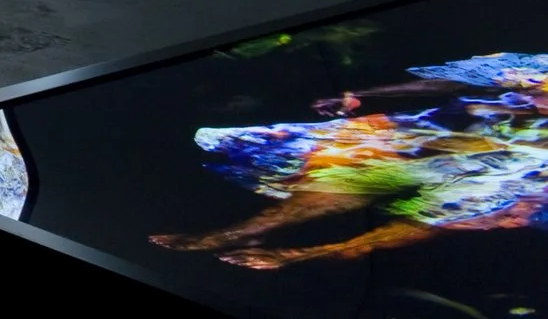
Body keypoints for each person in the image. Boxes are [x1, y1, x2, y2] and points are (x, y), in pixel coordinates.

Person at [151, 53, 548, 269]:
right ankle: (241, 232)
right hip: (463, 131)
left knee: (460, 208)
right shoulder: (538, 65)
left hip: (533, 161)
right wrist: (361, 93)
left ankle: (310, 254)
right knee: (357, 168)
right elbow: (459, 81)